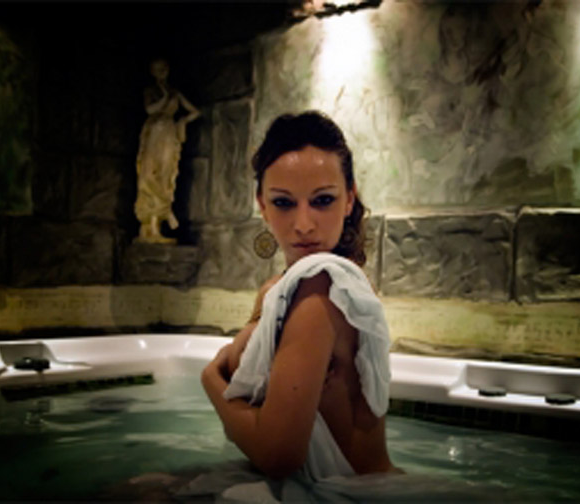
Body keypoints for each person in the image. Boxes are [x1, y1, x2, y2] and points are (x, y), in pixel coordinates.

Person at [201, 111, 397, 483]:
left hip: (351, 495)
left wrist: (209, 378)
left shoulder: (323, 288)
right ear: (262, 205)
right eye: (283, 203)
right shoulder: (276, 292)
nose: (303, 225)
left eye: (322, 200)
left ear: (349, 199)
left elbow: (277, 456)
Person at [134, 58, 200, 243]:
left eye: (163, 69)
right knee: (148, 174)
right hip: (154, 132)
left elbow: (195, 111)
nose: (161, 72)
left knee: (165, 175)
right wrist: (164, 96)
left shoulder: (174, 93)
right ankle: (150, 223)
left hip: (169, 134)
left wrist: (183, 121)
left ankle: (159, 222)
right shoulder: (151, 91)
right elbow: (150, 109)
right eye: (157, 69)